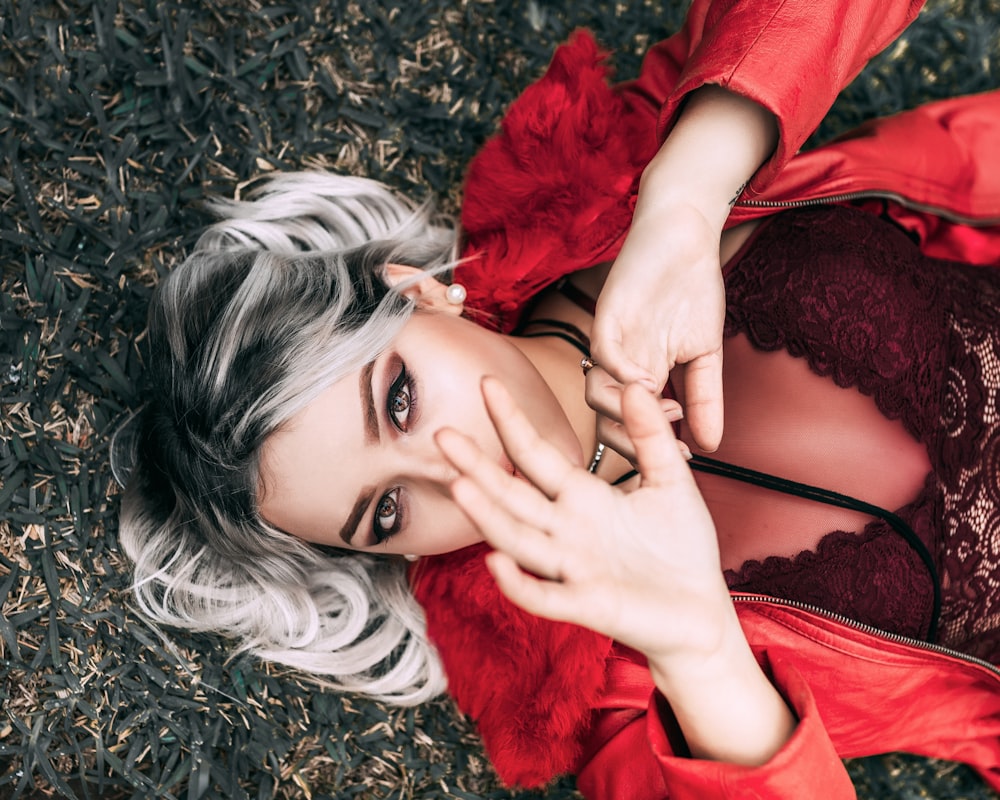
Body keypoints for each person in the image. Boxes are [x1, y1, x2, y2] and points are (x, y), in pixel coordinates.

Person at [116, 0, 1000, 797]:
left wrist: (686, 198)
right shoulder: (597, 676)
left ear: (418, 292)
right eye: (385, 513)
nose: (450, 473)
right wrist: (697, 644)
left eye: (398, 402)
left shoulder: (608, 184)